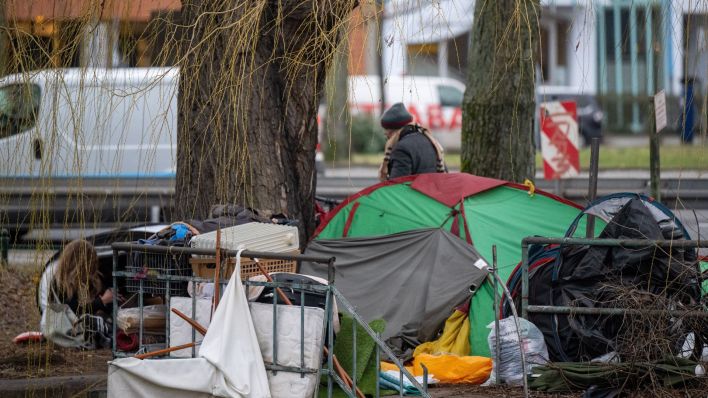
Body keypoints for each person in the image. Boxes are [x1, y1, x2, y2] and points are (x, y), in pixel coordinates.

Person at [50, 239, 114, 347]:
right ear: (79, 263)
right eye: (90, 264)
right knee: (93, 322)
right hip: (70, 325)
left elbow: (97, 306)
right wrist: (102, 301)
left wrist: (110, 299)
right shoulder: (60, 284)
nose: (93, 268)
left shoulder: (92, 280)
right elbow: (72, 310)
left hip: (86, 323)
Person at [378, 102, 447, 181]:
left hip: (417, 193)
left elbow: (396, 188)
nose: (387, 138)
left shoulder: (401, 149)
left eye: (387, 136)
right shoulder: (431, 140)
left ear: (391, 133)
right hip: (434, 192)